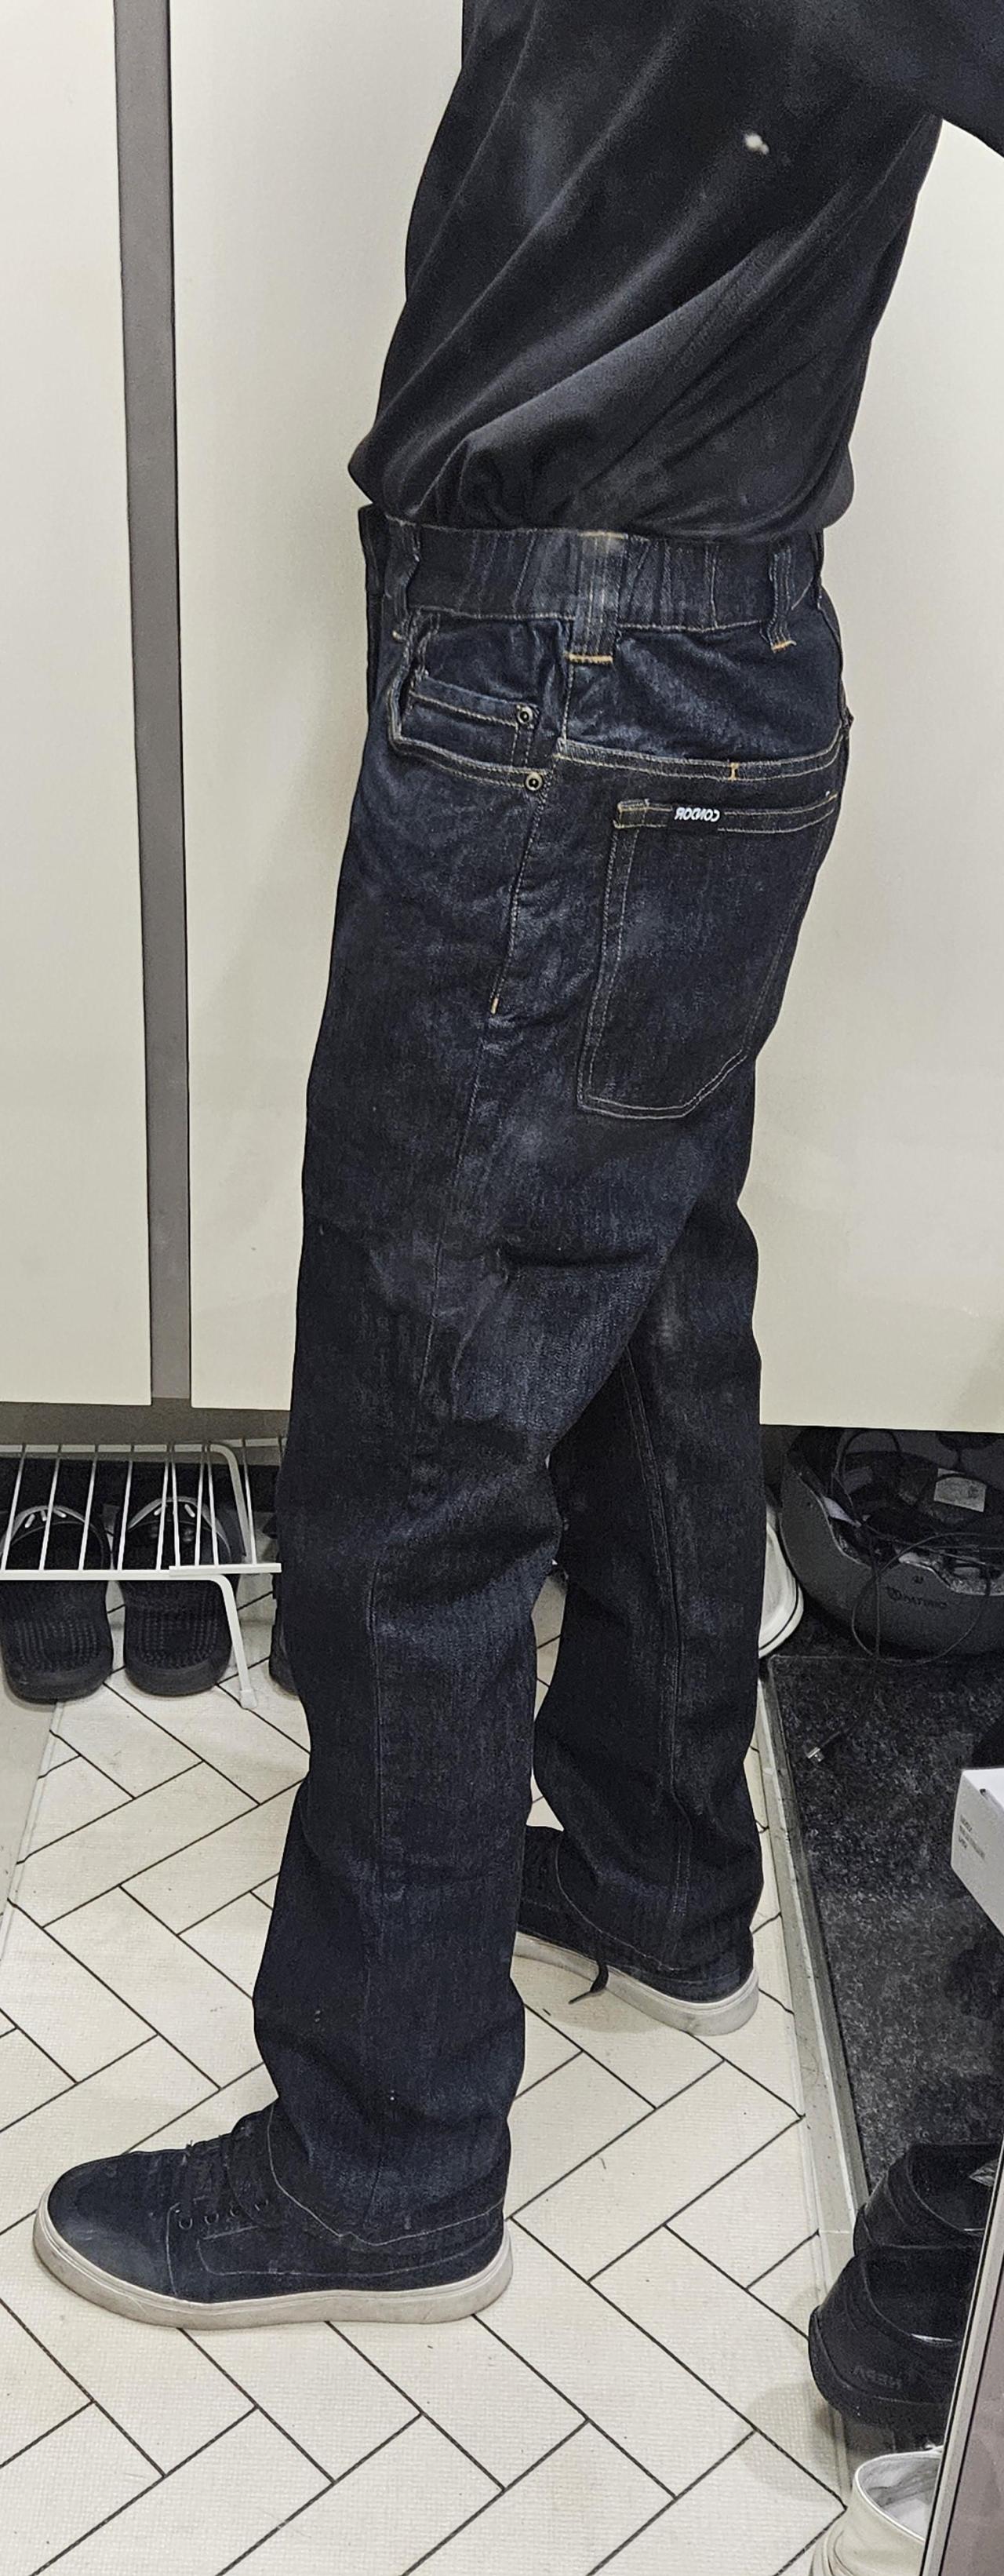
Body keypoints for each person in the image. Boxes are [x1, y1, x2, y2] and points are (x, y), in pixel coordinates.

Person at [35, 4, 1004, 2328]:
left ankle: (382, 2157)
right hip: (672, 658)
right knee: (657, 1295)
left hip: (581, 681)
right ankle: (665, 1876)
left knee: (416, 1451)